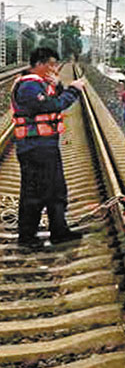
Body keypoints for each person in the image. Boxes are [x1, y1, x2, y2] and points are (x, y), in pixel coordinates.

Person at [12, 47, 85, 248]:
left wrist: (59, 86)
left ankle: (59, 231)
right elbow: (52, 105)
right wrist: (73, 90)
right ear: (39, 64)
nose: (54, 69)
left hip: (45, 145)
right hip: (35, 147)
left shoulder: (39, 84)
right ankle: (27, 237)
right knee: (34, 192)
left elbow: (52, 100)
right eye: (51, 65)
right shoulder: (29, 86)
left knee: (55, 190)